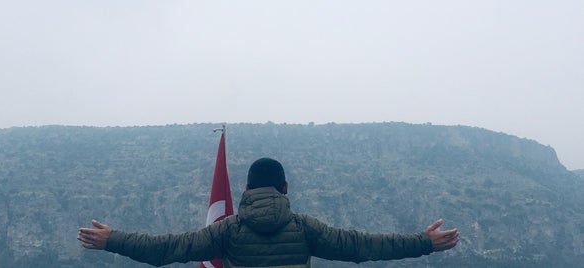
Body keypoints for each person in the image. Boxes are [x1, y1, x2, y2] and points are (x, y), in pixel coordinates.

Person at [78, 157, 459, 267]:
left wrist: (113, 239)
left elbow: (167, 249)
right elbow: (364, 246)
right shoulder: (306, 229)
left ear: (245, 190)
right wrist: (423, 242)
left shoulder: (226, 231)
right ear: (286, 189)